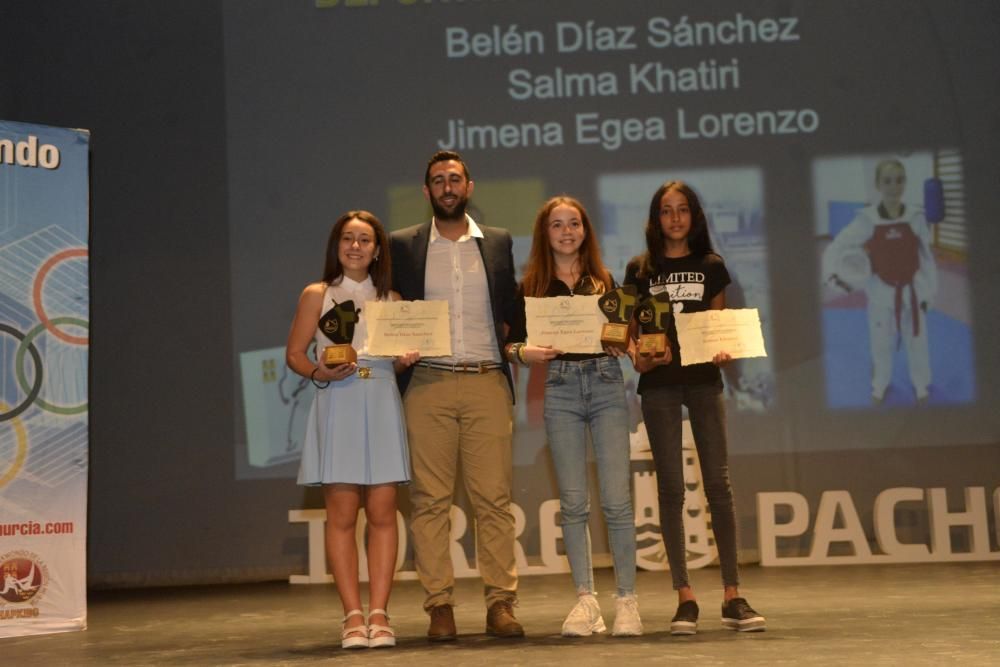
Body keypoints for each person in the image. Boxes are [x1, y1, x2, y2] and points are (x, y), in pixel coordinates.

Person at [390, 150, 523, 641]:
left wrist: (520, 344)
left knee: (494, 499)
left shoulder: (499, 243)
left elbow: (511, 309)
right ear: (426, 192)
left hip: (488, 378)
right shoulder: (402, 245)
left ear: (470, 187)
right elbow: (390, 309)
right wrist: (394, 346)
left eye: (455, 179)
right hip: (427, 382)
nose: (447, 187)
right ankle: (439, 606)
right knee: (429, 502)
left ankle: (501, 604)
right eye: (438, 181)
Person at [623, 181, 766, 635]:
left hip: (705, 381)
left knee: (718, 484)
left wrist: (723, 348)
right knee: (671, 489)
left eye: (683, 210)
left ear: (695, 216)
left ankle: (731, 593)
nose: (675, 218)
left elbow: (719, 325)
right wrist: (637, 354)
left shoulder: (711, 266)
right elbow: (626, 332)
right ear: (655, 219)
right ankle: (684, 596)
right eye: (667, 211)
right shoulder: (639, 268)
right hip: (659, 384)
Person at [506, 196, 642, 637]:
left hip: (604, 383)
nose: (567, 232)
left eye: (575, 224)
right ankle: (586, 602)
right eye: (557, 225)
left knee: (617, 501)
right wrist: (525, 352)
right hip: (560, 388)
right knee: (573, 503)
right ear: (545, 234)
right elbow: (506, 345)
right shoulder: (529, 286)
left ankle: (627, 601)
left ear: (586, 231)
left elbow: (621, 336)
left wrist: (624, 344)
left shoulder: (603, 282)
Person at [287, 210, 419, 650]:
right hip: (337, 402)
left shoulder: (394, 300)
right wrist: (318, 373)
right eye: (348, 238)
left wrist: (404, 360)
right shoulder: (317, 294)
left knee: (383, 513)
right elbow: (294, 354)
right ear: (336, 246)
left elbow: (401, 354)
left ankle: (379, 615)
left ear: (378, 249)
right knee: (341, 516)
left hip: (381, 399)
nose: (356, 246)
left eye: (365, 240)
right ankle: (352, 616)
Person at [822, 159, 937, 405]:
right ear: (877, 184)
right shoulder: (868, 220)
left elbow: (927, 259)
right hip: (881, 292)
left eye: (899, 180)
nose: (894, 186)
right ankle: (880, 384)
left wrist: (929, 293)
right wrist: (833, 275)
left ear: (905, 182)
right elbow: (838, 245)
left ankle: (921, 385)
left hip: (913, 291)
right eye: (887, 181)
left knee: (917, 341)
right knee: (880, 343)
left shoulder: (916, 217)